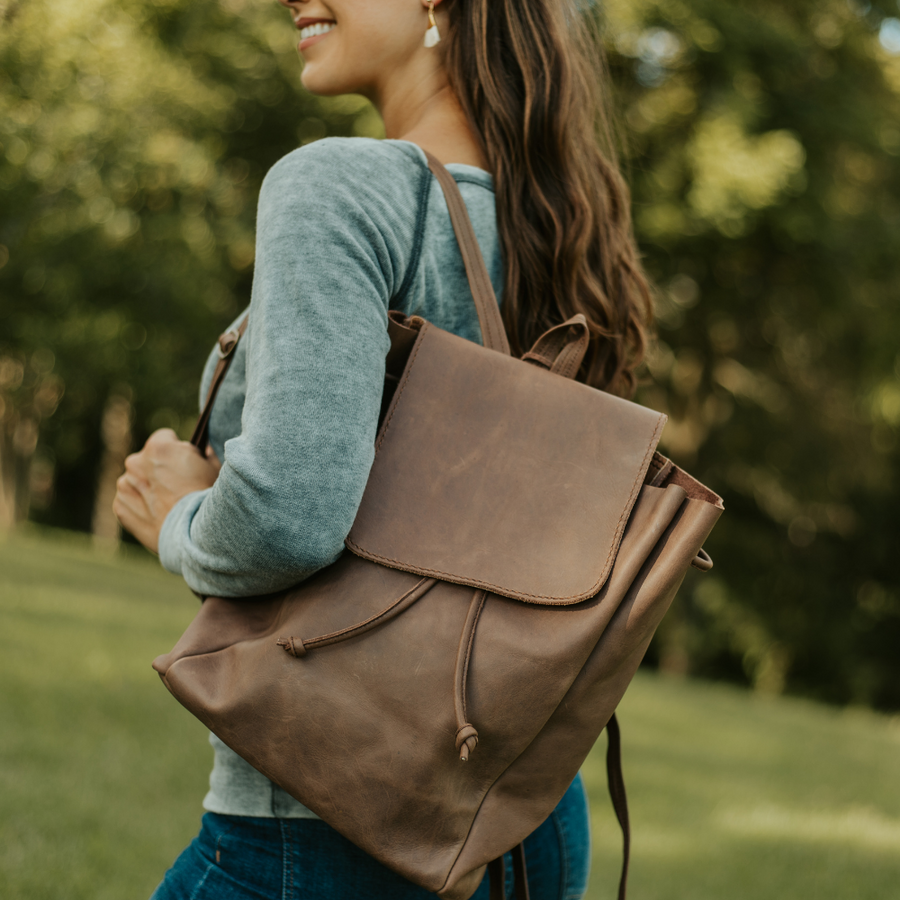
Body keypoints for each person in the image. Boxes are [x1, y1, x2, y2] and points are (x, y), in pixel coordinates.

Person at [113, 0, 653, 897]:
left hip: (329, 823)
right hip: (527, 821)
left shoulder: (337, 187)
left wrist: (179, 517)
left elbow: (288, 517)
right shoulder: (563, 221)